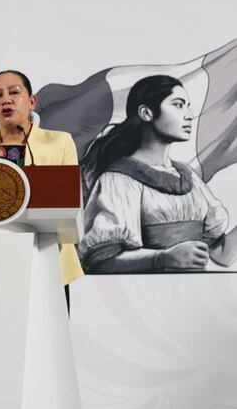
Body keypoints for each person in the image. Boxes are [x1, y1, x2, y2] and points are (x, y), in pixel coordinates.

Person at [78, 75, 237, 272]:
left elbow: (222, 255)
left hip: (192, 293)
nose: (188, 115)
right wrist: (163, 258)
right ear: (146, 112)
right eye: (178, 105)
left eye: (188, 106)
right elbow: (101, 261)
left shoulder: (189, 178)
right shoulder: (118, 179)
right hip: (144, 297)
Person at [0, 70, 85, 292]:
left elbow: (68, 198)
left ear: (31, 101)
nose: (6, 100)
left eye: (14, 93)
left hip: (47, 256)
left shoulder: (59, 142)